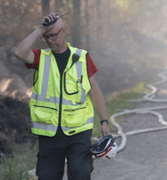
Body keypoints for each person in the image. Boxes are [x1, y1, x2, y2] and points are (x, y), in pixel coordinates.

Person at [14, 13, 110, 180]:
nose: (50, 40)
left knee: (81, 174)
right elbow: (19, 52)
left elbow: (93, 90)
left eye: (53, 35)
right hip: (49, 134)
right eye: (46, 37)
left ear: (63, 32)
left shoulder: (82, 57)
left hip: (79, 131)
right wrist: (40, 28)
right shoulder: (40, 58)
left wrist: (104, 120)